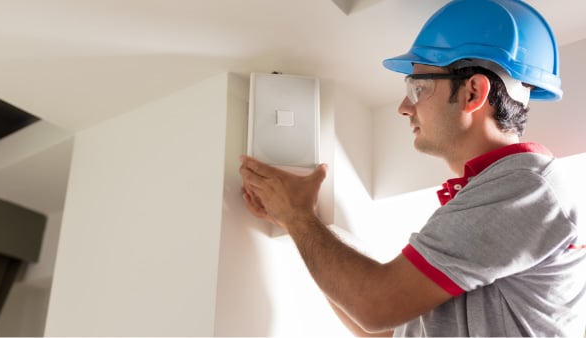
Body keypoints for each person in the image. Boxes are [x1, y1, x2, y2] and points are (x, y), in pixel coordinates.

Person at [239, 0, 586, 336]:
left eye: (418, 87)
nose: (405, 107)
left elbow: (376, 306)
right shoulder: (497, 195)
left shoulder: (526, 187)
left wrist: (300, 217)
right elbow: (384, 328)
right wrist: (296, 219)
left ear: (473, 92)